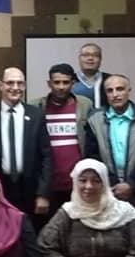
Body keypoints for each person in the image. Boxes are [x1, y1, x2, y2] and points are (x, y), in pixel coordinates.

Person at [84, 74, 135, 213]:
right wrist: (113, 183)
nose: (115, 94)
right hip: (108, 192)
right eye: (110, 90)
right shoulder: (94, 119)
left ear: (129, 90)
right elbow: (92, 156)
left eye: (120, 89)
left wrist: (131, 184)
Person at [0, 67, 51, 220]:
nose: (15, 88)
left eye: (20, 83)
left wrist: (43, 193)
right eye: (10, 83)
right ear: (0, 85)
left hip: (30, 191)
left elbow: (47, 157)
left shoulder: (37, 115)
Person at [34, 63, 93, 211]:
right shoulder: (36, 106)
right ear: (49, 84)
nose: (61, 87)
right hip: (48, 185)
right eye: (57, 82)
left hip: (78, 184)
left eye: (66, 82)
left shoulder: (85, 105)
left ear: (73, 83)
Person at [73, 43, 109, 109]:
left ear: (100, 59)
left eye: (95, 55)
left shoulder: (110, 80)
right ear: (79, 59)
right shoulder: (69, 80)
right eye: (86, 55)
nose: (90, 58)